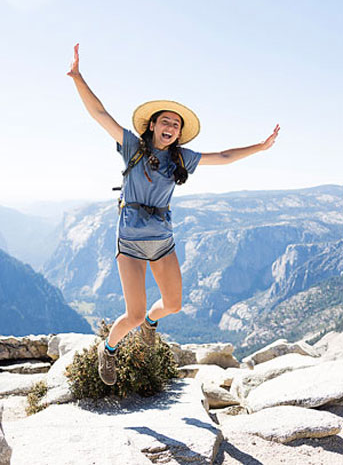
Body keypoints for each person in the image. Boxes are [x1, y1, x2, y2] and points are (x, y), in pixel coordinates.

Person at [67, 43, 280, 385]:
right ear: (151, 125)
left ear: (179, 133)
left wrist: (261, 146)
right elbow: (100, 114)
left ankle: (152, 324)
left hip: (163, 242)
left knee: (173, 305)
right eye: (165, 121)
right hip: (131, 244)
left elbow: (224, 157)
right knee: (133, 314)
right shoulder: (133, 149)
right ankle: (107, 350)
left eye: (176, 125)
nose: (171, 127)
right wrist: (78, 77)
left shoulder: (182, 159)